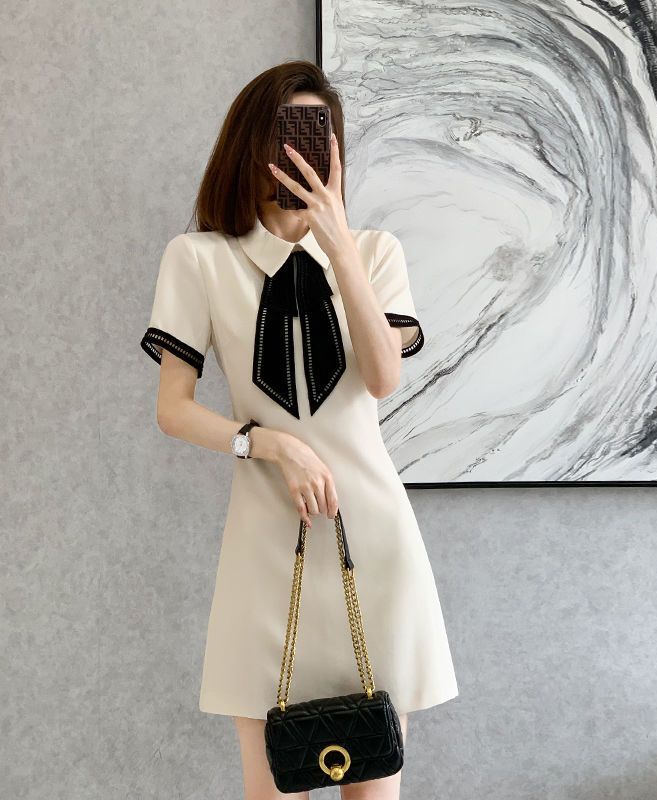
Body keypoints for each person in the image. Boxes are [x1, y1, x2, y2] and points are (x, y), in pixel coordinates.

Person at [140, 60, 458, 800]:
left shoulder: (374, 252)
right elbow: (173, 408)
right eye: (283, 134)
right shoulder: (199, 259)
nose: (296, 154)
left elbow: (383, 377)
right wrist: (269, 442)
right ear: (249, 145)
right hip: (266, 541)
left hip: (372, 539)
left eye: (315, 136)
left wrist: (338, 245)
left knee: (374, 783)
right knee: (271, 788)